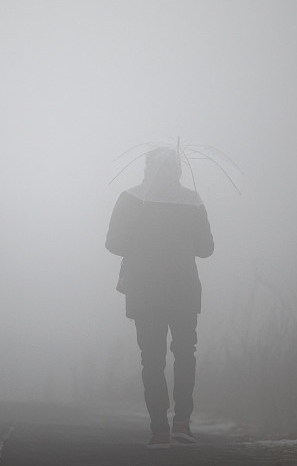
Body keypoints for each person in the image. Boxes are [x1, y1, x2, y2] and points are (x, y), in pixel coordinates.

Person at [105, 147, 214, 449]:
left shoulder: (131, 198)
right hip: (183, 289)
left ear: (146, 168)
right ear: (178, 170)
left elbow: (114, 243)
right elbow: (206, 248)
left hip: (145, 290)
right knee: (185, 353)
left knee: (151, 360)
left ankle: (159, 429)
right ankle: (182, 421)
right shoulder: (192, 200)